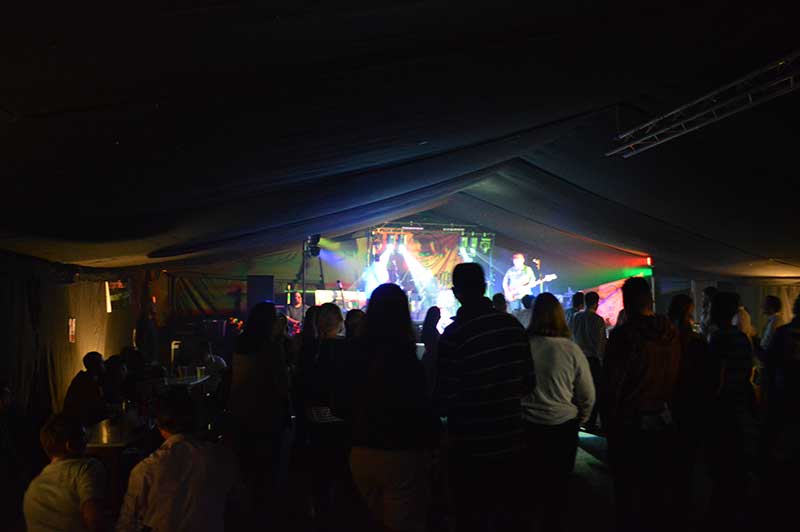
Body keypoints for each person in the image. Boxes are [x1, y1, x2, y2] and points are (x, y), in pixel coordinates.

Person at [436, 262, 535, 532]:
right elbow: (529, 383)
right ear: (484, 288)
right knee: (508, 515)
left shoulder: (453, 336)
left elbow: (445, 395)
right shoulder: (512, 327)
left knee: (471, 515)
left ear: (456, 293)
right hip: (510, 439)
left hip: (469, 445)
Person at [348, 284, 439, 532]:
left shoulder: (356, 353)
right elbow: (419, 408)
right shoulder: (405, 358)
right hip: (399, 452)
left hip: (361, 449)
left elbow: (341, 401)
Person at [602, 276, 681, 532]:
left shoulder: (624, 336)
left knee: (627, 490)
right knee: (655, 489)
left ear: (626, 302)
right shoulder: (671, 333)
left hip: (630, 421)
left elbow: (613, 383)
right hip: (663, 417)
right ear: (650, 300)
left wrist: (609, 420)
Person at [117, 389, 241, 532]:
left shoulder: (145, 470)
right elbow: (239, 504)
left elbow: (126, 524)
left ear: (158, 424)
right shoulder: (221, 457)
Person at [522, 292, 594, 531]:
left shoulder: (523, 347)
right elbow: (587, 394)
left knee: (530, 490)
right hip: (562, 428)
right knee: (558, 491)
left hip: (527, 427)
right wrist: (580, 419)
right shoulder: (571, 349)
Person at [227, 302, 289, 511]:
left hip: (240, 410)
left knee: (245, 465)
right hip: (266, 412)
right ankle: (264, 510)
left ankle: (244, 510)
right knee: (267, 467)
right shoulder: (271, 347)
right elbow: (280, 382)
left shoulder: (241, 342)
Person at [666, 293, 714, 528]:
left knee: (674, 457)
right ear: (689, 313)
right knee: (688, 457)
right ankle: (687, 504)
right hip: (692, 404)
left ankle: (675, 504)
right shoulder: (696, 342)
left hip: (670, 402)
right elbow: (708, 376)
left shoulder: (665, 338)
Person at [24, 414, 107, 532]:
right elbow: (94, 519)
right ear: (70, 445)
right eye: (83, 435)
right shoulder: (86, 468)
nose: (87, 439)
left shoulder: (32, 487)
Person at [571, 291, 606, 431]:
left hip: (578, 358)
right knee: (594, 391)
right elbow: (600, 344)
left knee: (578, 390)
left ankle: (579, 420)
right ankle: (590, 422)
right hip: (593, 360)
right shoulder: (598, 320)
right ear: (596, 303)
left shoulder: (576, 317)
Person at [63, 352, 108, 426]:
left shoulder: (92, 379)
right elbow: (93, 409)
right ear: (95, 366)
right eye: (102, 362)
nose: (104, 365)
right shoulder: (84, 382)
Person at [420, 306, 441, 397]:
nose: (439, 317)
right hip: (433, 360)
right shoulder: (433, 331)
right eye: (438, 315)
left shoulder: (428, 330)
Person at [135, 299, 159, 364]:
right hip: (148, 356)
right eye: (153, 305)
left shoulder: (150, 321)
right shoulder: (146, 322)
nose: (155, 307)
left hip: (149, 356)